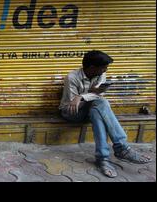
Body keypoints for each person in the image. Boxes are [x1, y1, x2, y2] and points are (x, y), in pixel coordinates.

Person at [59, 50, 151, 178]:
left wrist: (81, 96)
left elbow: (98, 95)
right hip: (71, 112)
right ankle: (121, 149)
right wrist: (88, 96)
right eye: (103, 68)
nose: (105, 70)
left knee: (98, 110)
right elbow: (73, 104)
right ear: (92, 67)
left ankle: (103, 159)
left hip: (92, 110)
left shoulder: (100, 74)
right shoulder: (72, 77)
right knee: (101, 104)